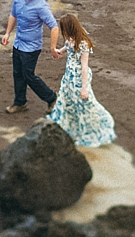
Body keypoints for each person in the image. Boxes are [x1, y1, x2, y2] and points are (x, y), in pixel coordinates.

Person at [46, 13, 116, 147]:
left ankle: (96, 129)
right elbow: (68, 45)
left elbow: (84, 67)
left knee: (84, 105)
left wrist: (84, 88)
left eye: (65, 29)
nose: (63, 32)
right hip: (69, 76)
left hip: (78, 78)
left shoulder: (83, 42)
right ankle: (72, 130)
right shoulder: (71, 37)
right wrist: (60, 50)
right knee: (67, 101)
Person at [0, 0, 61, 114]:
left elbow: (54, 27)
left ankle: (51, 98)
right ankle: (20, 102)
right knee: (17, 74)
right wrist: (7, 33)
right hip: (18, 43)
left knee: (28, 75)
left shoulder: (41, 6)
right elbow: (13, 15)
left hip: (32, 48)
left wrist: (52, 47)